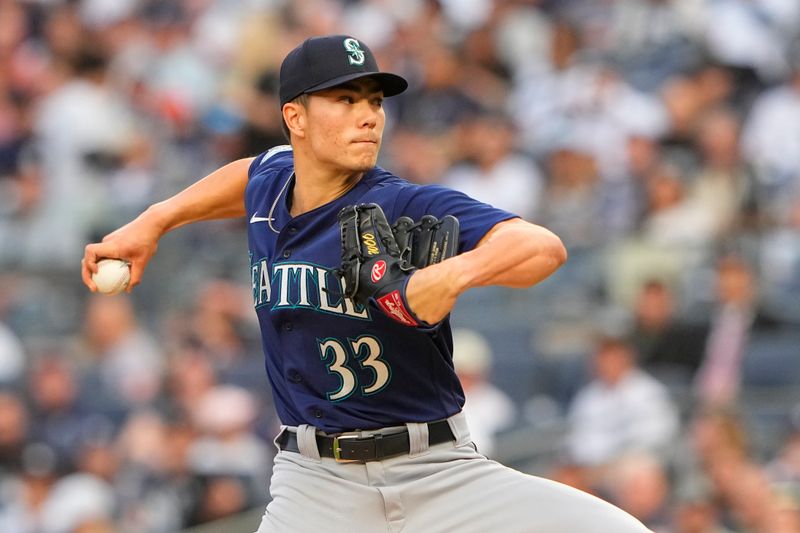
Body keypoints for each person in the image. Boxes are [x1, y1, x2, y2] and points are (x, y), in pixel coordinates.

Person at [82, 34, 650, 532]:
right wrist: (155, 220)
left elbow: (541, 247)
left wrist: (451, 275)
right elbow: (249, 174)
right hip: (316, 485)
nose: (370, 115)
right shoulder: (273, 183)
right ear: (295, 118)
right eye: (346, 99)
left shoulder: (399, 205)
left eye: (375, 101)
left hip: (439, 472)